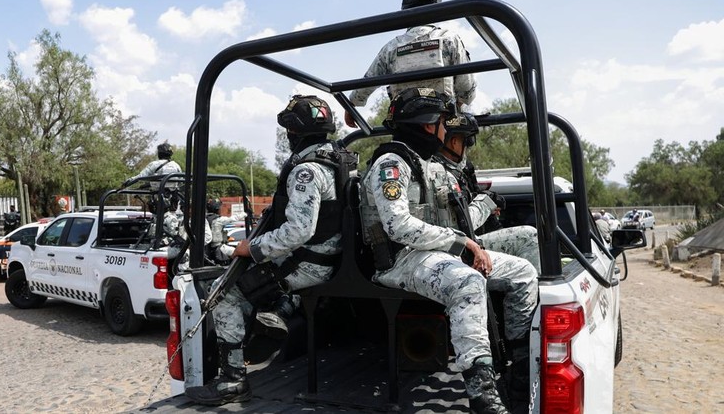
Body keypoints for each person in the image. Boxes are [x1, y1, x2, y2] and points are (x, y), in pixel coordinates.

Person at [359, 88, 537, 414]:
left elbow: (451, 219)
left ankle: (521, 366)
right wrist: (463, 243)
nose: (445, 130)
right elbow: (397, 226)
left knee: (523, 273)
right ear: (429, 125)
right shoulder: (391, 164)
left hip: (435, 252)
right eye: (443, 122)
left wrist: (467, 236)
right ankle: (481, 391)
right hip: (400, 258)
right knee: (467, 281)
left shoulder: (428, 165)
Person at [185, 95, 355, 406]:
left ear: (294, 132)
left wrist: (252, 248)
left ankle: (232, 380)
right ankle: (279, 312)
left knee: (225, 294)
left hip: (309, 263)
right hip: (334, 258)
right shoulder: (339, 159)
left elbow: (298, 231)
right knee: (263, 281)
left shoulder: (306, 171)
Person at [346, 0, 476, 127]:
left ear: (405, 10)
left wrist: (351, 104)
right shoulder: (450, 40)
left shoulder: (391, 48)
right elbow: (467, 90)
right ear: (438, 10)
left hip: (404, 124)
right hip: (440, 124)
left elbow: (369, 80)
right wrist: (456, 106)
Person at [436, 111, 542, 274]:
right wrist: (486, 202)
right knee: (529, 236)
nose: (467, 150)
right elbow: (460, 225)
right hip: (456, 247)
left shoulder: (457, 171)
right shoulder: (441, 174)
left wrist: (488, 209)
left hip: (460, 243)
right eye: (466, 142)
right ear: (454, 142)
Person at [205, 198, 247, 265]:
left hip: (209, 250)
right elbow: (233, 219)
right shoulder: (218, 220)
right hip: (219, 248)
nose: (221, 209)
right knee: (239, 253)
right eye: (220, 208)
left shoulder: (205, 219)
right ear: (217, 209)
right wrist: (245, 213)